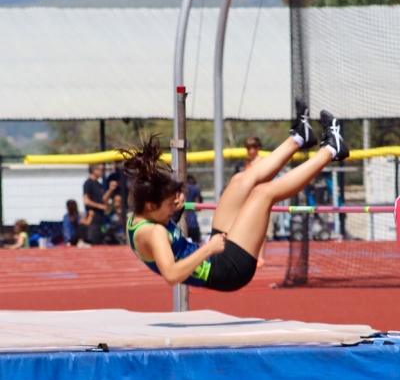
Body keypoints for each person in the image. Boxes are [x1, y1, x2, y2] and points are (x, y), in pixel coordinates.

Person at [120, 99, 349, 292]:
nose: (174, 209)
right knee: (262, 193)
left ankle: (299, 137)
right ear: (151, 206)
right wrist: (208, 249)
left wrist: (173, 209)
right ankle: (330, 150)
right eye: (169, 205)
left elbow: (166, 225)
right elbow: (171, 275)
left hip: (215, 254)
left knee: (241, 180)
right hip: (228, 269)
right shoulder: (154, 232)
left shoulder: (139, 218)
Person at [244, 135, 266, 267]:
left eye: (251, 148)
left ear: (257, 148)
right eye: (247, 148)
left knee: (261, 228)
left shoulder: (262, 161)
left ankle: (261, 257)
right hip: (250, 198)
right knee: (250, 228)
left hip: (261, 197)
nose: (249, 151)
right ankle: (251, 254)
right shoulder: (248, 164)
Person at [83, 164, 107, 245]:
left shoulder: (98, 184)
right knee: (93, 242)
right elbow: (86, 201)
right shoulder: (88, 183)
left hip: (100, 218)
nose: (102, 172)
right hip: (93, 218)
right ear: (94, 170)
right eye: (101, 170)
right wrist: (100, 206)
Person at [186, 175, 203, 243]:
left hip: (182, 223)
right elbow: (198, 206)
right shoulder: (195, 189)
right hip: (193, 223)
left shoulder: (180, 188)